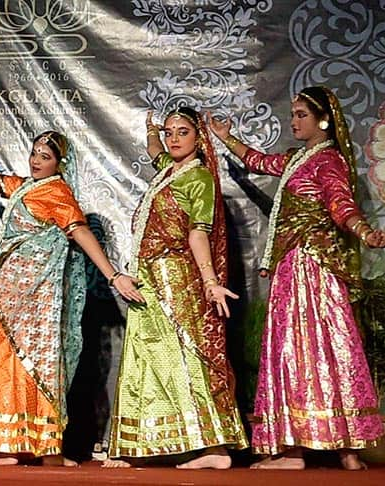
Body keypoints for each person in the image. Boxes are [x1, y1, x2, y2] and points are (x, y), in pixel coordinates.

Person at [208, 86, 385, 470]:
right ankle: (347, 451)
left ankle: (295, 452)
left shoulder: (327, 162)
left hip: (306, 266)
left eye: (301, 115)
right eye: (293, 113)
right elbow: (261, 162)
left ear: (324, 119)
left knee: (297, 348)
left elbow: (341, 205)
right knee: (329, 346)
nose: (293, 121)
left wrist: (367, 234)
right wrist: (226, 137)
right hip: (304, 266)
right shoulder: (301, 158)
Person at [0, 125, 143, 466]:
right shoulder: (26, 187)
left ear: (59, 163)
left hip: (34, 300)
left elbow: (80, 233)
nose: (36, 160)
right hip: (7, 294)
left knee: (30, 365)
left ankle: (30, 445)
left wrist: (113, 275)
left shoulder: (57, 194)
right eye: (35, 153)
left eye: (45, 156)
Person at [105, 107, 247, 469]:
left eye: (182, 132)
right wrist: (152, 129)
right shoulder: (170, 169)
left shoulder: (198, 178)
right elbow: (156, 152)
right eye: (170, 132)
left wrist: (211, 283)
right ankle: (142, 444)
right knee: (147, 357)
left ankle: (213, 447)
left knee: (183, 357)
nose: (173, 138)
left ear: (199, 137)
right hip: (148, 278)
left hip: (175, 279)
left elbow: (198, 233)